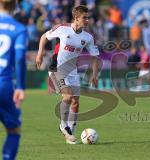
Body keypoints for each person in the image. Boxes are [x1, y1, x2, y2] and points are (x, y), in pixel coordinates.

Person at [35, 5, 99, 144]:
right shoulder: (62, 28)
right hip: (57, 68)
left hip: (72, 71)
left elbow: (94, 56)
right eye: (85, 17)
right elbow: (44, 37)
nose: (87, 20)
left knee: (76, 102)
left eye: (88, 17)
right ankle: (63, 126)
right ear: (76, 18)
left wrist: (95, 74)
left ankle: (71, 133)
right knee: (68, 96)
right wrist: (40, 54)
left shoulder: (88, 37)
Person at [0, 0, 28, 159]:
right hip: (3, 85)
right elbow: (19, 59)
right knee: (13, 130)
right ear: (15, 6)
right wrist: (20, 87)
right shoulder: (19, 29)